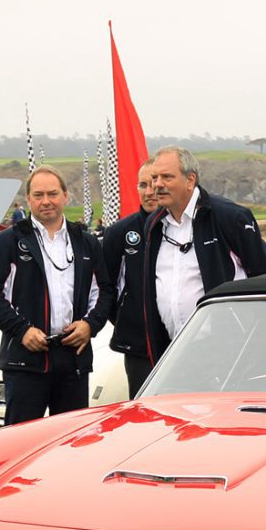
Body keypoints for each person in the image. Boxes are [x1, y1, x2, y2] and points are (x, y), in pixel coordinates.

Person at [0, 166, 113, 425]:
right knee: (20, 443)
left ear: (65, 196)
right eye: (38, 195)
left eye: (52, 194)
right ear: (28, 200)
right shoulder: (9, 241)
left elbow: (105, 291)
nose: (46, 201)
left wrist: (90, 325)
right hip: (25, 358)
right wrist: (21, 331)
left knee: (71, 442)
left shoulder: (86, 242)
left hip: (73, 357)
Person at [138, 146, 266, 368]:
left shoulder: (229, 217)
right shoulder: (153, 225)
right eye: (154, 177)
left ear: (190, 180)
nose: (157, 184)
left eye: (167, 177)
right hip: (172, 350)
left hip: (227, 352)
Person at [103, 161, 160, 394]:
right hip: (139, 346)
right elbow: (106, 287)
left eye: (154, 184)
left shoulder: (188, 228)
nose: (149, 192)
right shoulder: (119, 232)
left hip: (184, 342)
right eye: (142, 185)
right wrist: (129, 318)